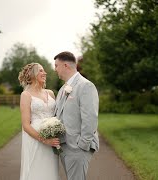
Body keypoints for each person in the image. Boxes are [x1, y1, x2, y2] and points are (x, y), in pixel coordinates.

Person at [54, 51, 99, 180]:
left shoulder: (85, 86)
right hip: (65, 147)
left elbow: (90, 118)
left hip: (77, 148)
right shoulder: (63, 89)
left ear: (66, 65)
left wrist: (82, 145)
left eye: (56, 65)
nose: (55, 69)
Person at [18, 62, 60, 180]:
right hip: (36, 140)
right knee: (36, 170)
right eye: (41, 70)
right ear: (32, 74)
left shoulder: (50, 93)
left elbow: (57, 115)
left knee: (50, 171)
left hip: (52, 139)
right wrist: (45, 140)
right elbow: (26, 125)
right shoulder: (26, 95)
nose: (45, 73)